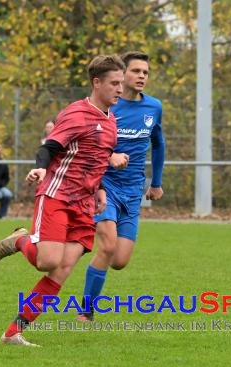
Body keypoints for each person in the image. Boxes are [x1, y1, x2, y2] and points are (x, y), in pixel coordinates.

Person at [0, 54, 128, 347]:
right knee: (47, 260)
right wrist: (40, 166)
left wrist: (99, 189)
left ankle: (13, 333)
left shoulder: (112, 121)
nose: (120, 89)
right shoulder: (77, 113)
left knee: (62, 269)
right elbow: (50, 146)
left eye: (122, 83)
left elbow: (95, 160)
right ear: (96, 82)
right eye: (115, 83)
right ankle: (19, 241)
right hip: (57, 195)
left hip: (85, 204)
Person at [77, 51, 166, 322]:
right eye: (136, 71)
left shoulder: (153, 107)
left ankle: (78, 247)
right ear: (121, 75)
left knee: (119, 260)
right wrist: (107, 161)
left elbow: (158, 144)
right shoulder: (106, 107)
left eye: (146, 72)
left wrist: (156, 183)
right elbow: (87, 146)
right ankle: (86, 312)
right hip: (104, 187)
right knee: (107, 245)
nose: (141, 76)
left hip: (133, 191)